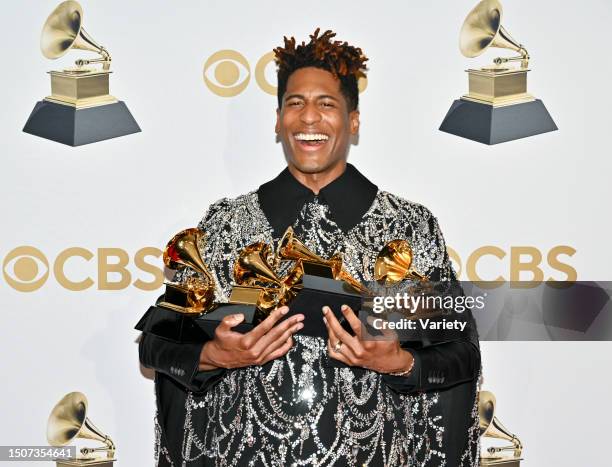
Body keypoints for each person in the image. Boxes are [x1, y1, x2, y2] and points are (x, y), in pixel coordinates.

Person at [139, 29, 481, 467]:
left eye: (326, 104)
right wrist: (214, 354)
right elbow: (155, 345)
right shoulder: (225, 225)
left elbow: (463, 353)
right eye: (295, 103)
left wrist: (399, 363)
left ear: (353, 121)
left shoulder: (409, 227)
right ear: (278, 119)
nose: (309, 118)